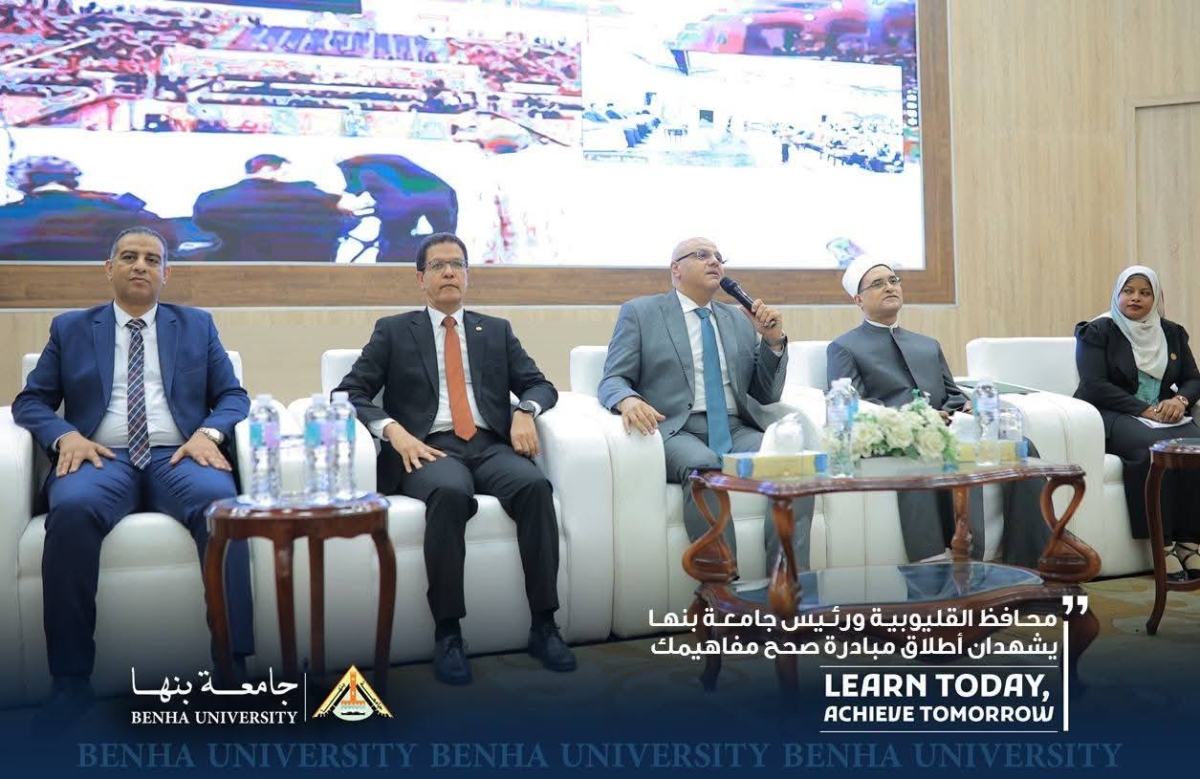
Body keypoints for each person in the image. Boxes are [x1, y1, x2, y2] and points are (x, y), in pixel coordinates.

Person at [11, 227, 254, 720]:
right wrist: (66, 436)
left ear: (166, 272)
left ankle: (233, 668)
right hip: (102, 455)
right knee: (72, 511)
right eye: (129, 257)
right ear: (109, 268)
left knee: (224, 513)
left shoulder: (197, 325)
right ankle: (70, 681)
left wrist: (208, 434)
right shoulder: (72, 328)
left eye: (152, 259)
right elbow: (30, 401)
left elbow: (233, 396)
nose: (141, 265)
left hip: (178, 454)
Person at [333, 232, 574, 685]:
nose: (449, 272)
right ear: (420, 278)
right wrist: (393, 432)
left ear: (467, 275)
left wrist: (525, 411)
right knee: (449, 493)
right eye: (439, 266)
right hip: (427, 447)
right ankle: (448, 633)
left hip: (490, 445)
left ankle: (545, 625)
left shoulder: (495, 329)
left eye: (458, 265)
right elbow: (347, 393)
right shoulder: (394, 330)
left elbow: (539, 384)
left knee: (535, 487)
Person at [598, 237, 814, 565]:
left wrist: (772, 342)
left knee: (794, 465)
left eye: (718, 257)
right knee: (705, 468)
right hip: (677, 429)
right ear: (676, 269)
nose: (715, 261)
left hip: (736, 428)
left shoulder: (738, 319)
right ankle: (721, 584)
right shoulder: (641, 312)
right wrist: (627, 400)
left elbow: (766, 394)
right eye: (702, 255)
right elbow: (613, 378)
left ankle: (786, 580)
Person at [827, 256, 1050, 567]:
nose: (889, 287)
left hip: (949, 428)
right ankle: (944, 564)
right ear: (858, 300)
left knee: (1022, 446)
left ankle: (1033, 558)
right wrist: (915, 419)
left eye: (893, 280)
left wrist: (964, 408)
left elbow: (952, 394)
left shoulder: (927, 344)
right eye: (877, 284)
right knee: (935, 454)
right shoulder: (844, 347)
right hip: (900, 435)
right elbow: (855, 405)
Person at [1074, 266, 1200, 582]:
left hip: (1160, 414)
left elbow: (1193, 379)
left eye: (1145, 293)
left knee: (1193, 448)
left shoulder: (1171, 332)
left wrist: (1179, 400)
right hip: (1109, 412)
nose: (1135, 298)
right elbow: (1093, 384)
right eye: (1128, 291)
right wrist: (1144, 410)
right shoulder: (1098, 331)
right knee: (1151, 450)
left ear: (1155, 299)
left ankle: (1190, 542)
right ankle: (1162, 545)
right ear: (1117, 294)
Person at [0, 156, 177, 262]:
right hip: (105, 301)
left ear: (19, 182)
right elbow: (168, 240)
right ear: (73, 179)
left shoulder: (5, 217)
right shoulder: (120, 211)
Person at [192, 154, 349, 263]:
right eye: (285, 173)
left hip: (234, 272)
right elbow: (341, 221)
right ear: (267, 171)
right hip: (303, 274)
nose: (291, 179)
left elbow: (202, 228)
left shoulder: (209, 199)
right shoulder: (311, 196)